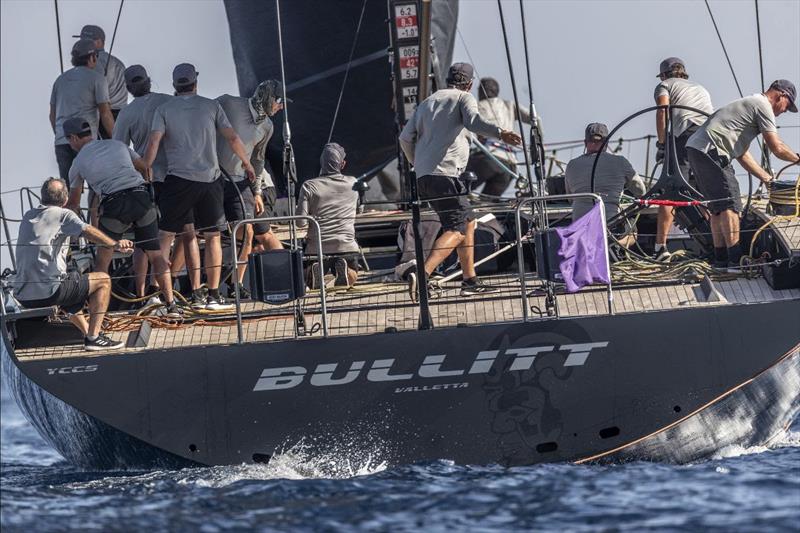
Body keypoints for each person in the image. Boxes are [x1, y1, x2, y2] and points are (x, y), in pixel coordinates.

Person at [399, 62, 521, 298]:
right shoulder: (463, 98)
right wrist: (501, 133)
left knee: (468, 222)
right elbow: (474, 123)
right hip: (447, 175)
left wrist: (416, 163)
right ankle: (422, 275)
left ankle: (469, 279)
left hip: (425, 177)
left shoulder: (427, 102)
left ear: (447, 80)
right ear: (470, 84)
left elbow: (405, 138)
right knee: (457, 228)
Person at [144, 63, 255, 311]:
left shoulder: (164, 109)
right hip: (210, 180)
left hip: (178, 180)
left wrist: (145, 169)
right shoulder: (211, 106)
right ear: (196, 82)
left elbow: (154, 142)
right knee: (213, 237)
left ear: (175, 86)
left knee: (166, 236)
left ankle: (156, 294)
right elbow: (233, 138)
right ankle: (213, 296)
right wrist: (247, 164)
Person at [62, 117, 181, 317]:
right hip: (142, 198)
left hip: (114, 205)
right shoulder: (118, 145)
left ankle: (100, 315)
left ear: (73, 138)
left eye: (69, 140)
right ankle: (171, 306)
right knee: (156, 255)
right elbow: (143, 166)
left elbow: (73, 203)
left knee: (102, 262)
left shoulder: (78, 163)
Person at [687, 79, 800, 270]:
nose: (782, 113)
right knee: (731, 206)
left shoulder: (749, 106)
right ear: (781, 95)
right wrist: (798, 158)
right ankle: (736, 261)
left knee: (718, 208)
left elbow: (741, 154)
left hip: (697, 148)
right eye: (786, 107)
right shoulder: (762, 105)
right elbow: (777, 147)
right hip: (712, 150)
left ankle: (721, 260)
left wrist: (766, 178)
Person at [11, 178, 132, 351]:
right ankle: (94, 337)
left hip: (23, 296)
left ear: (41, 197)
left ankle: (87, 333)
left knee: (71, 284)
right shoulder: (64, 214)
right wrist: (114, 244)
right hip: (49, 293)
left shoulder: (28, 215)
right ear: (65, 199)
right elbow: (87, 230)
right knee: (103, 280)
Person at [113, 64, 176, 301]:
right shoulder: (167, 102)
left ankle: (141, 294)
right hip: (174, 176)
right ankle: (161, 288)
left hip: (145, 180)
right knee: (175, 232)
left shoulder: (127, 113)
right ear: (149, 81)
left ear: (128, 88)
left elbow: (118, 148)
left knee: (143, 240)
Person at [216, 80, 285, 297]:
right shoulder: (228, 103)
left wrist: (256, 192)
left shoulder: (268, 127)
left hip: (241, 182)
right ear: (267, 97)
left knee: (248, 231)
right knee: (213, 234)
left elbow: (258, 159)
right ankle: (208, 290)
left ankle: (236, 286)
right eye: (279, 101)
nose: (281, 107)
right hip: (213, 178)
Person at [652, 57, 714, 260]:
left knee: (669, 189)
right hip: (709, 136)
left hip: (686, 134)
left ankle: (660, 247)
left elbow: (663, 111)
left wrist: (662, 143)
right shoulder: (700, 87)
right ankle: (718, 242)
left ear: (663, 75)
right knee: (705, 189)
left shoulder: (664, 85)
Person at [565, 123, 646, 247]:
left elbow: (570, 198)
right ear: (606, 143)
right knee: (632, 232)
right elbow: (641, 191)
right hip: (609, 225)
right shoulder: (620, 162)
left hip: (580, 226)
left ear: (585, 142)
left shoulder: (571, 165)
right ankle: (613, 247)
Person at [49, 38, 114, 188]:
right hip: (86, 142)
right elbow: (105, 113)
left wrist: (62, 136)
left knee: (67, 189)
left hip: (62, 141)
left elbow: (52, 115)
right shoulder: (97, 78)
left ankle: (71, 211)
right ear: (92, 57)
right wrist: (117, 140)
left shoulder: (60, 80)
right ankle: (95, 212)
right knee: (97, 184)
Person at [296, 143, 360, 288]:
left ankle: (315, 275)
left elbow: (300, 223)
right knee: (353, 276)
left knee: (309, 282)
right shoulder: (354, 183)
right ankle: (345, 271)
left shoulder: (309, 186)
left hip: (316, 247)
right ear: (342, 164)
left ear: (321, 163)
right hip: (346, 244)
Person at [467, 77, 531, 196]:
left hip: (488, 158)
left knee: (457, 189)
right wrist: (539, 144)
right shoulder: (509, 105)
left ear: (482, 91)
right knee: (487, 204)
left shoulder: (477, 106)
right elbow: (535, 119)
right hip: (510, 166)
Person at [74, 24, 127, 134]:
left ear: (99, 42)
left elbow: (90, 94)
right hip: (121, 116)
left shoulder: (93, 63)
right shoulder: (119, 64)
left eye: (86, 42)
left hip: (102, 117)